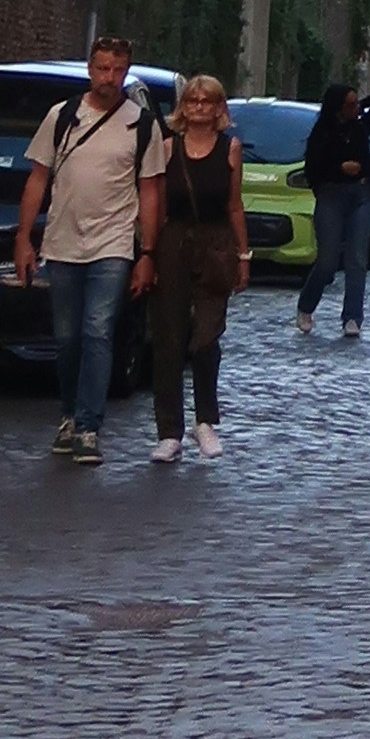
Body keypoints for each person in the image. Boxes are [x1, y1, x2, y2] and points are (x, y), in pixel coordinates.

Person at [11, 30, 160, 467]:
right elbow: (38, 178)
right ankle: (69, 414)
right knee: (67, 337)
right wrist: (24, 237)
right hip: (61, 241)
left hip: (113, 243)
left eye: (117, 70)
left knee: (98, 332)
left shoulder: (142, 124)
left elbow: (149, 191)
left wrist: (147, 253)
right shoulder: (62, 116)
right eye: (102, 69)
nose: (109, 78)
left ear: (126, 72)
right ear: (89, 69)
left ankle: (90, 426)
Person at [145, 74, 245, 463]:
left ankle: (206, 420)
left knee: (207, 334)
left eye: (208, 101)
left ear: (220, 108)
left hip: (217, 243)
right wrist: (149, 252)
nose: (200, 107)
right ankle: (169, 431)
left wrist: (243, 255)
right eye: (193, 101)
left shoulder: (230, 149)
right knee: (168, 336)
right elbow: (158, 204)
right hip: (175, 242)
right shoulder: (168, 148)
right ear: (183, 107)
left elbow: (235, 205)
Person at [295, 80, 370, 342]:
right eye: (350, 105)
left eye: (357, 104)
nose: (356, 109)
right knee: (328, 261)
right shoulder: (322, 134)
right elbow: (314, 171)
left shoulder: (361, 128)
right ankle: (306, 304)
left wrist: (362, 104)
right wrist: (340, 169)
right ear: (337, 107)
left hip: (360, 197)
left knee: (357, 260)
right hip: (331, 195)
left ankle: (353, 317)